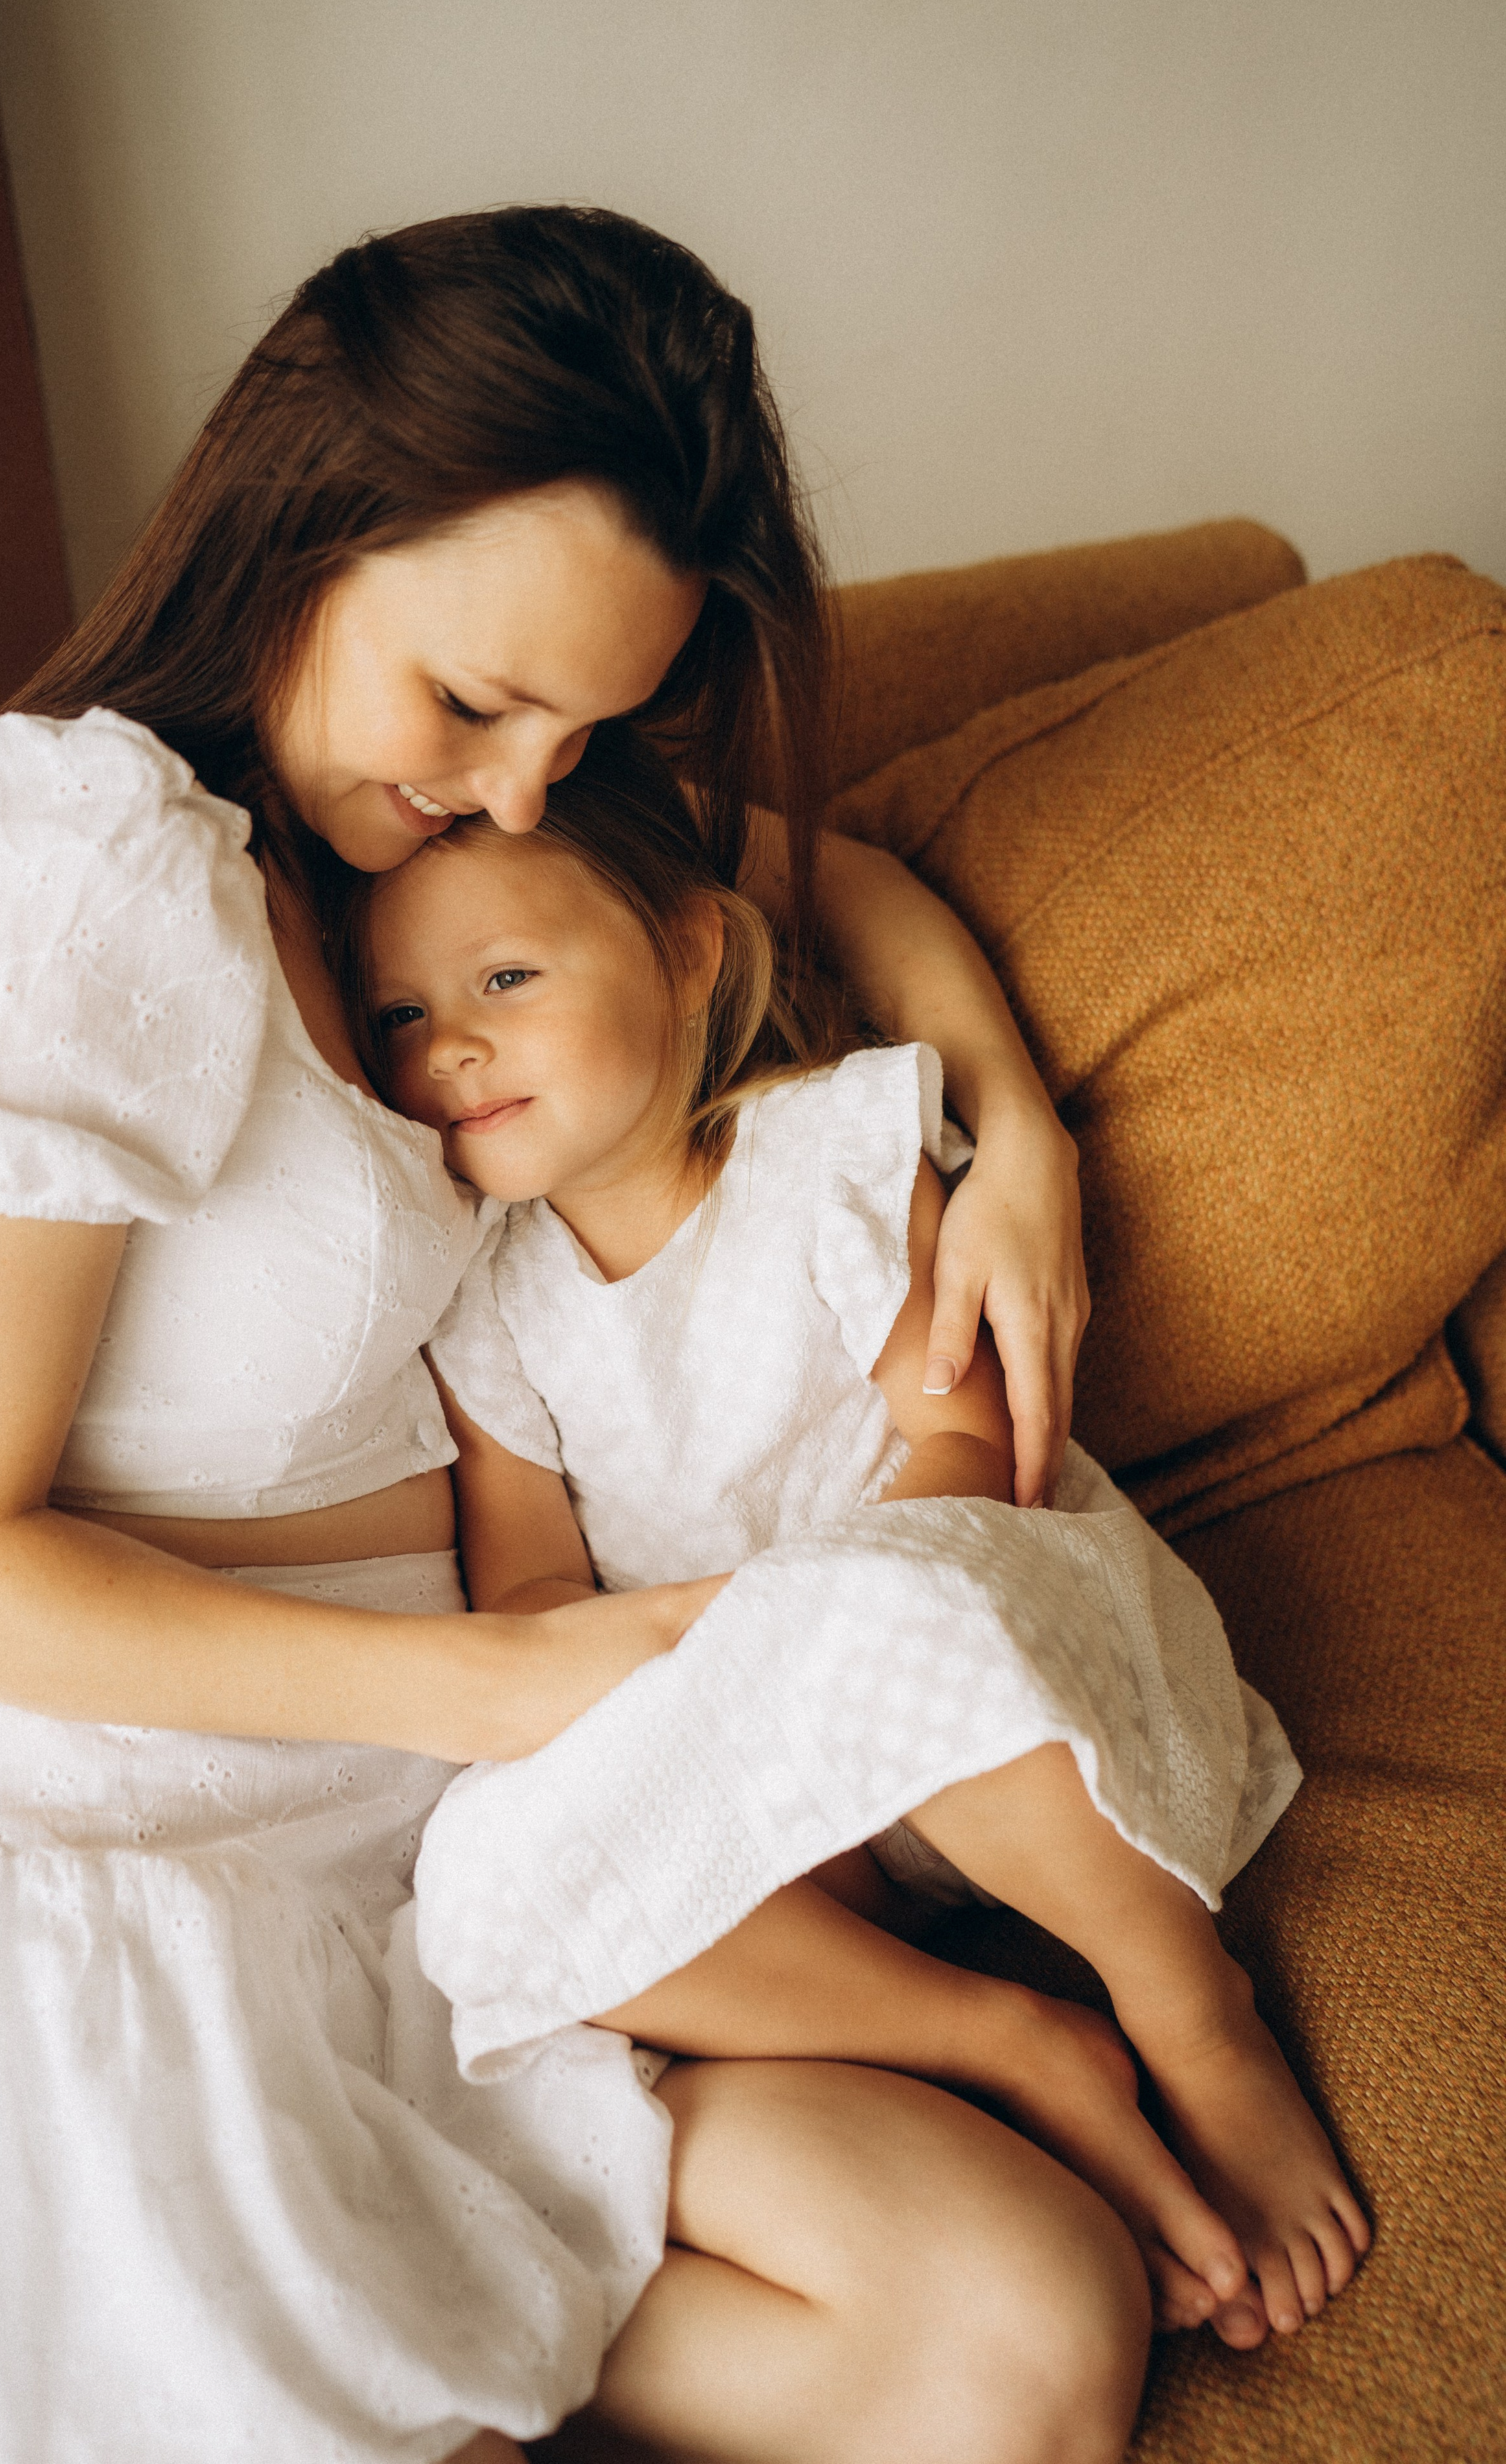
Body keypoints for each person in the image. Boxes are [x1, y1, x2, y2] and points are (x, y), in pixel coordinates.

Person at [0, 206, 1142, 2464]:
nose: (518, 789)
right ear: (309, 520)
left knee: (1022, 2332)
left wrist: (1021, 1135)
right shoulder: (86, 859)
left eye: (582, 729)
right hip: (122, 1872)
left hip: (460, 1884)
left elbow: (791, 878)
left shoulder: (411, 880)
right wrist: (494, 1680)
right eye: (479, 702)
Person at [351, 718, 1372, 2360]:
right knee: (477, 1890)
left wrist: (793, 1630)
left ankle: (1189, 2012)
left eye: (503, 981)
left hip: (967, 1671)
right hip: (758, 1737)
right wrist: (719, 1666)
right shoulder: (486, 1302)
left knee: (877, 1605)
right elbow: (533, 1586)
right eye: (400, 1015)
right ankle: (1002, 2038)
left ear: (686, 956)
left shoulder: (821, 1150)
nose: (449, 1050)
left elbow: (963, 1442)